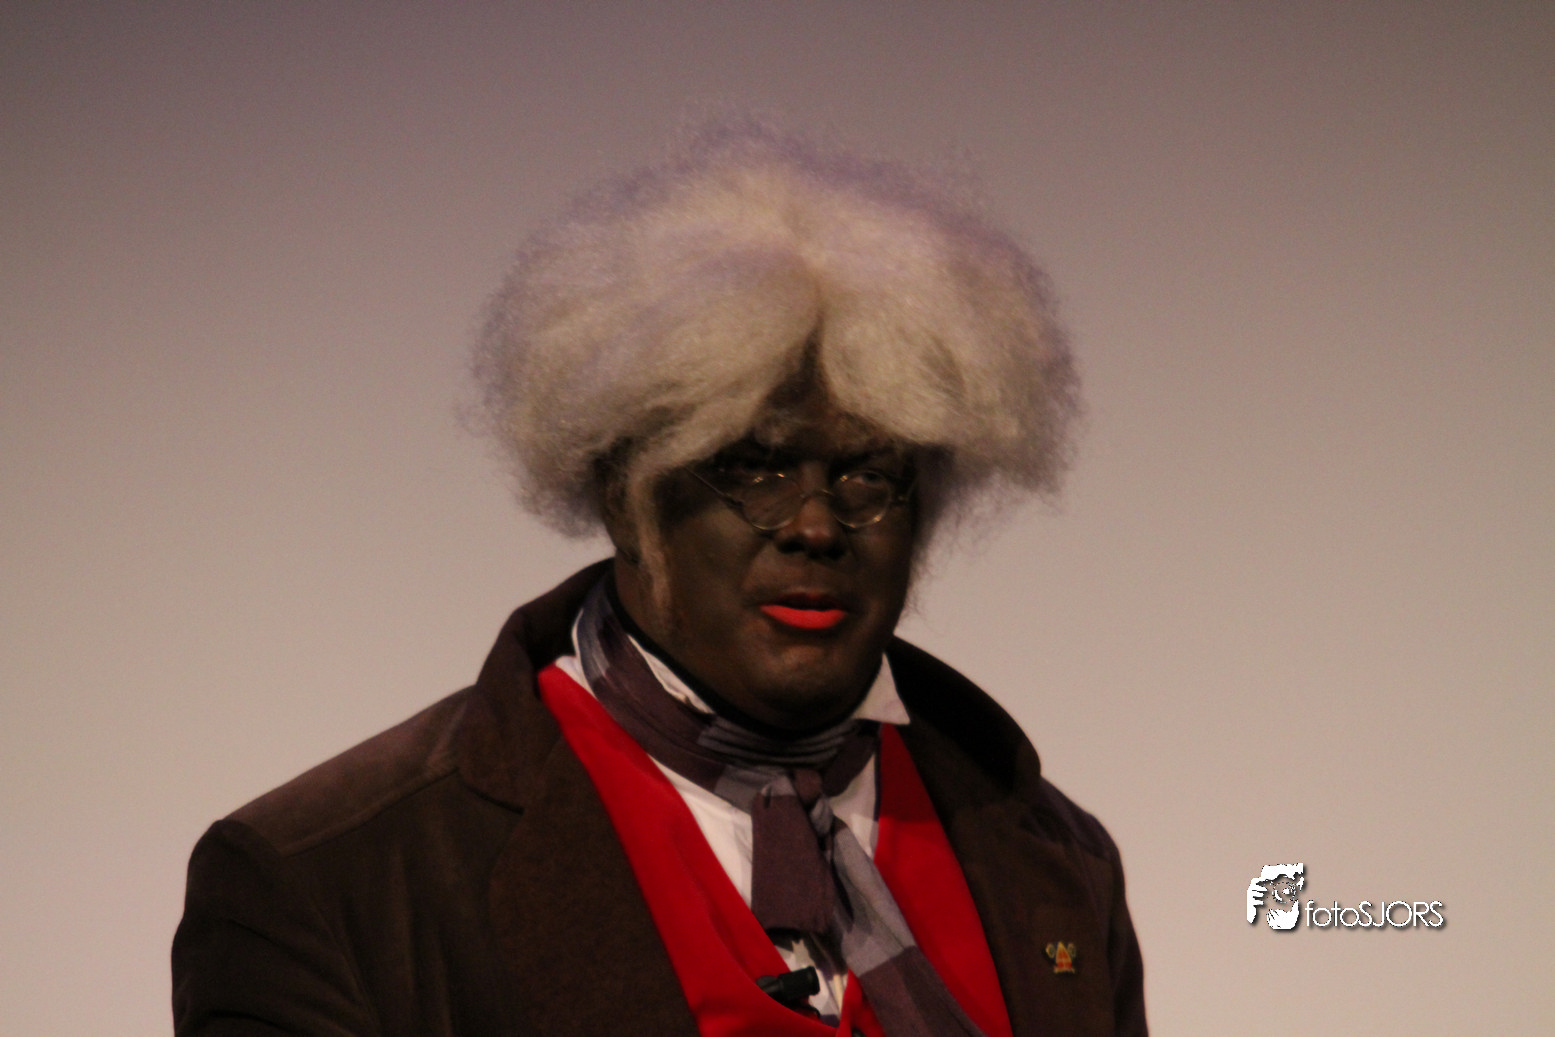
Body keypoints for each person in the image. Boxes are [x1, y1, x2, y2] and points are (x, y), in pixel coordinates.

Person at [172, 119, 1147, 1037]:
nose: (815, 525)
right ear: (624, 491)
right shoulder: (325, 882)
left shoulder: (1056, 858)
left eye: (868, 473)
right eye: (754, 466)